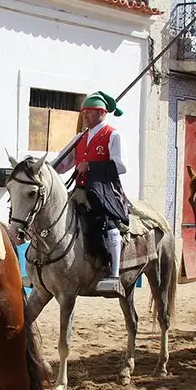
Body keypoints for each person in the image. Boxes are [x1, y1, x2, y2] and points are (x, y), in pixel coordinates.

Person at [52, 92, 130, 296]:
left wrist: (91, 166)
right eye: (84, 112)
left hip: (105, 189)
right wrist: (44, 171)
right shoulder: (79, 138)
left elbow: (120, 166)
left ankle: (114, 275)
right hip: (80, 189)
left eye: (90, 112)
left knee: (109, 224)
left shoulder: (113, 135)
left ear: (102, 113)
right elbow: (62, 163)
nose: (85, 115)